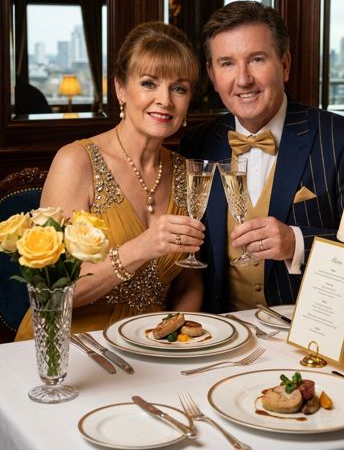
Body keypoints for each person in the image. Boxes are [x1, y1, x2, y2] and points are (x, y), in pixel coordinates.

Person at [180, 1, 344, 325]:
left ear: (284, 65)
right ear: (212, 76)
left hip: (309, 334)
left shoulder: (343, 138)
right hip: (222, 335)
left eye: (256, 59)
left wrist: (296, 242)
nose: (243, 79)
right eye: (227, 63)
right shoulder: (197, 143)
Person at [15, 22, 205, 340]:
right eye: (149, 83)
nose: (165, 100)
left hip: (150, 344)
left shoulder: (188, 172)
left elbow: (190, 280)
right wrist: (139, 249)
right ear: (120, 88)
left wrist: (178, 341)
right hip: (71, 343)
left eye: (179, 88)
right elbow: (48, 294)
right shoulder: (76, 162)